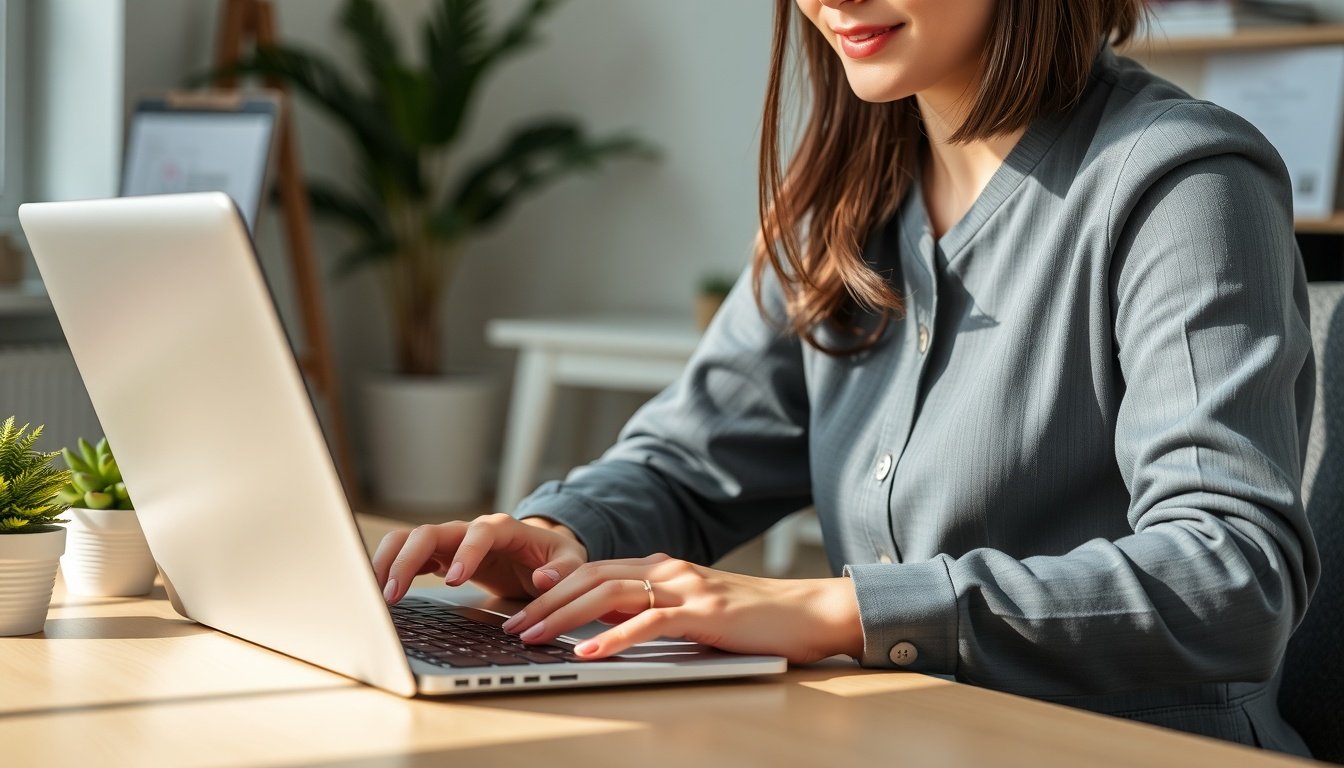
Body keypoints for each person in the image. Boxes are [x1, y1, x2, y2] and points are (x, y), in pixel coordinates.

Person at [375, 0, 1319, 755]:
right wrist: (552, 537)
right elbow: (686, 463)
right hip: (895, 735)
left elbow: (1232, 575)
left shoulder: (1182, 182)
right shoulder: (844, 193)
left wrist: (835, 608)